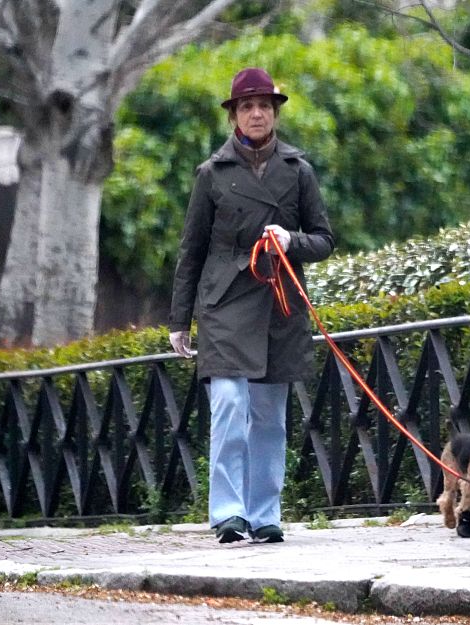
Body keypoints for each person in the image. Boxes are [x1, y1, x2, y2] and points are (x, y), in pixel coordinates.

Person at [168, 67, 335, 544]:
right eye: (247, 106)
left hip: (279, 301)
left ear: (275, 112)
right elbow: (191, 250)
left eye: (265, 105)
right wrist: (180, 321)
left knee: (268, 412)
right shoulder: (211, 173)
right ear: (234, 116)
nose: (257, 113)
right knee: (228, 404)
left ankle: (264, 515)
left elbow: (324, 240)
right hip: (223, 301)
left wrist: (291, 239)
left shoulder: (298, 170)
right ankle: (227, 514)